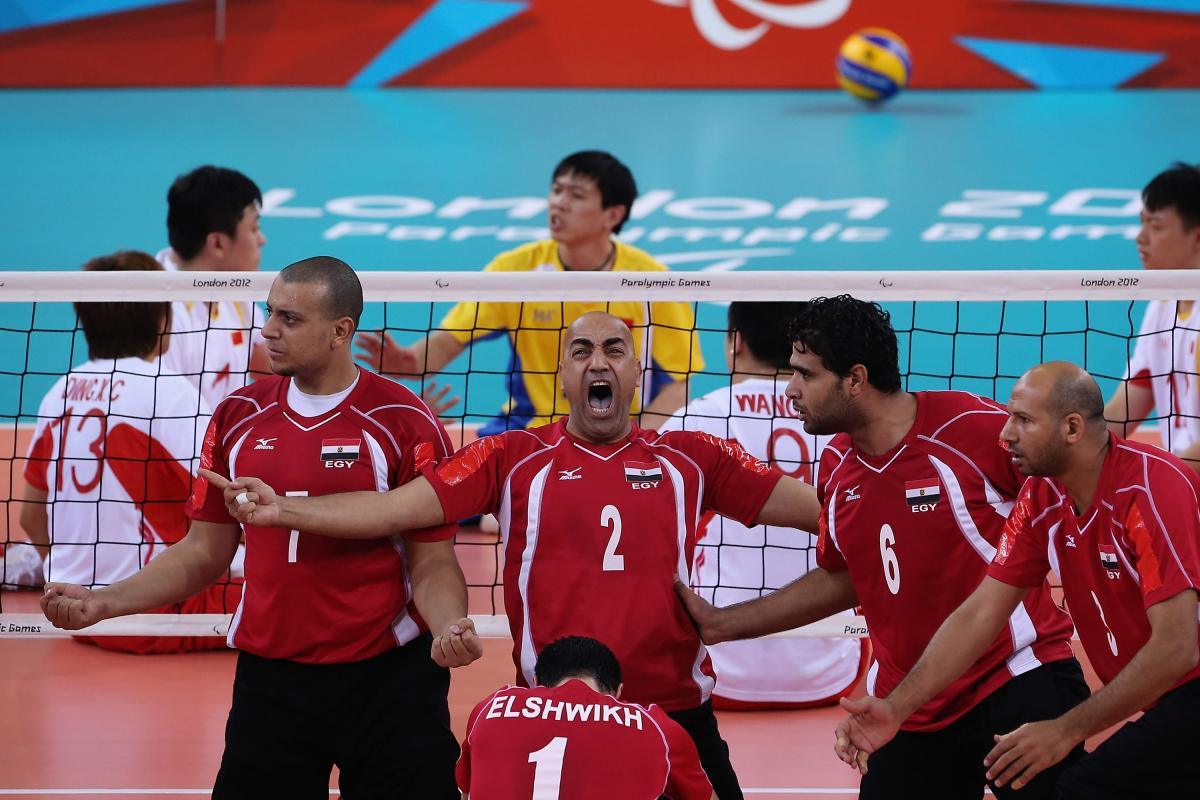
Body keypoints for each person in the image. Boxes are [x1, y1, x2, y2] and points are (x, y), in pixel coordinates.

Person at [204, 310, 828, 800]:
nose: (597, 362)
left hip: (675, 706)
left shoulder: (695, 457)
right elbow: (394, 508)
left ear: (638, 372)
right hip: (549, 711)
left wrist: (744, 618)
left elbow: (832, 513)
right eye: (580, 351)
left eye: (614, 350)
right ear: (561, 375)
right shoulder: (512, 457)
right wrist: (283, 509)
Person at [41, 256, 480, 798]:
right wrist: (104, 602)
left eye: (290, 319)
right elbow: (203, 552)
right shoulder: (235, 416)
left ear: (341, 331)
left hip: (388, 678)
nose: (268, 329)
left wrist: (448, 626)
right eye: (270, 312)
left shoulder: (404, 421)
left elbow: (434, 561)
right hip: (272, 680)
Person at [674, 295, 1088, 800]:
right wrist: (725, 623)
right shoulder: (837, 466)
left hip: (1014, 676)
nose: (791, 389)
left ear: (855, 379)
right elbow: (844, 576)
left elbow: (1075, 494)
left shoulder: (971, 430)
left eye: (806, 374)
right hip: (912, 703)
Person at [835, 361, 1200, 799]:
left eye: (1023, 420)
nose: (1005, 433)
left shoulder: (1150, 488)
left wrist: (1063, 730)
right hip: (1171, 702)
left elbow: (1177, 648)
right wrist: (896, 708)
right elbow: (982, 610)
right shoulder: (1044, 495)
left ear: (1071, 428)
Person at [357, 150, 704, 433]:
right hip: (529, 430)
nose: (559, 203)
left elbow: (679, 386)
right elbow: (448, 343)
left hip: (621, 432)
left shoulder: (651, 280)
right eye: (557, 191)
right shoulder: (516, 270)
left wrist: (639, 439)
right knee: (440, 487)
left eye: (576, 195)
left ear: (612, 214)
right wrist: (411, 362)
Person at [11, 251, 239, 654]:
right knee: (295, 585)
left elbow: (31, 516)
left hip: (68, 610)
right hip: (155, 614)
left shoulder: (58, 393)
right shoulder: (174, 395)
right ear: (162, 320)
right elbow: (228, 510)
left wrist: (76, 572)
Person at [659, 301, 863, 709]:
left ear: (735, 343)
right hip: (828, 675)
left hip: (714, 672)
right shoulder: (844, 421)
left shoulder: (695, 421)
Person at [457, 635, 715, 800]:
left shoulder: (492, 707)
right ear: (619, 692)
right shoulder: (655, 725)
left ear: (536, 683)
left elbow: (468, 794)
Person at [1105, 162, 1200, 473]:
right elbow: (1126, 407)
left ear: (1197, 238)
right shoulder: (1163, 303)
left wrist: (1159, 484)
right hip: (1182, 479)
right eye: (1141, 223)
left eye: (1156, 227)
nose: (1141, 238)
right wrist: (1070, 460)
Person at [157, 164, 271, 412]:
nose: (262, 240)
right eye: (254, 229)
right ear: (217, 243)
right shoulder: (161, 317)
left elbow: (277, 371)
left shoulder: (234, 290)